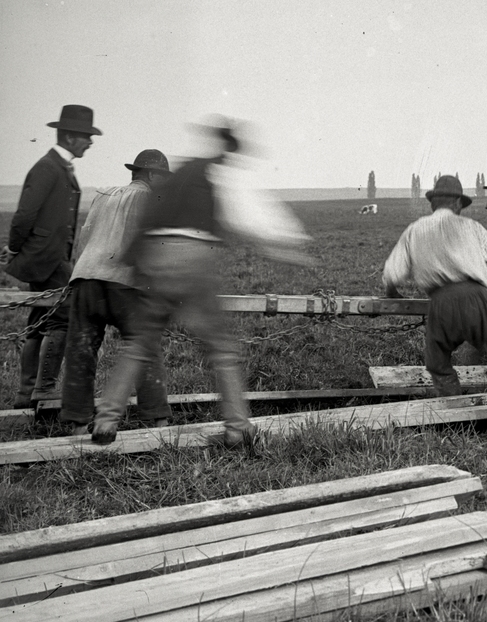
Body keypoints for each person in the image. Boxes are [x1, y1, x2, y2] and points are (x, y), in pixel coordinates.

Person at [92, 119, 312, 448]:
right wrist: (289, 245)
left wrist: (137, 262)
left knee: (138, 344)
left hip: (154, 257)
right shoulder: (220, 171)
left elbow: (148, 217)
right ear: (230, 148)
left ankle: (106, 420)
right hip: (194, 256)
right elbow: (252, 218)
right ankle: (238, 428)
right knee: (222, 349)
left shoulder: (180, 172)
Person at [381, 175, 487, 405]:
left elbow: (391, 273)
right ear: (458, 204)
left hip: (441, 303)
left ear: (433, 203)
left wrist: (392, 293)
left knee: (438, 361)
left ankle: (453, 407)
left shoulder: (414, 230)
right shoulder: (471, 227)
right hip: (477, 300)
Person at [56, 149, 175, 436]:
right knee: (144, 347)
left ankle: (77, 423)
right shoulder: (151, 199)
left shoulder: (104, 194)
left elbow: (85, 238)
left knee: (81, 350)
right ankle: (157, 421)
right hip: (125, 284)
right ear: (152, 175)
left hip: (85, 279)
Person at [4, 105, 96, 411]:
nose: (90, 142)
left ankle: (26, 394)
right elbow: (24, 215)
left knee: (38, 318)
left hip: (52, 258)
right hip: (48, 259)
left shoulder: (59, 167)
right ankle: (42, 391)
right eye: (86, 136)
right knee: (63, 317)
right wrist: (15, 248)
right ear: (69, 137)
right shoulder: (47, 167)